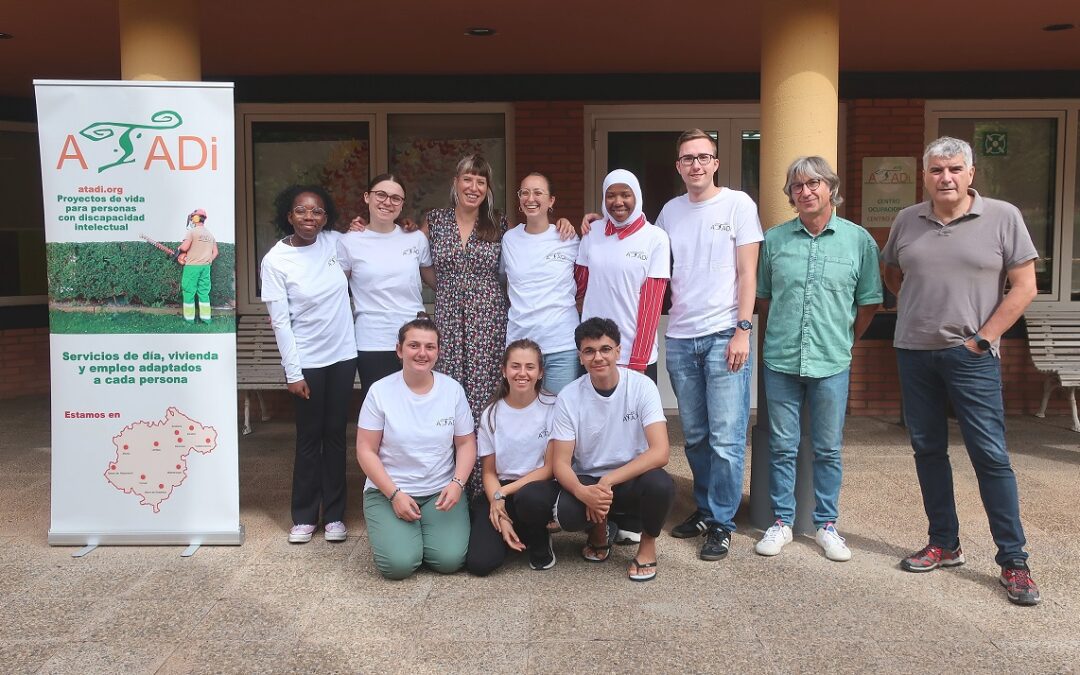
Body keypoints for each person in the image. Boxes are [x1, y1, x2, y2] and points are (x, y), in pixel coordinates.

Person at [883, 136, 1041, 606]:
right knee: (928, 451)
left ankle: (1014, 561)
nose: (945, 178)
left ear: (971, 174)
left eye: (954, 169)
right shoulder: (908, 219)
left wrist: (982, 339)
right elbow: (893, 271)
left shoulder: (1002, 216)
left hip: (971, 356)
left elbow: (1025, 286)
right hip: (914, 351)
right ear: (925, 175)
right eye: (936, 170)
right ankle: (944, 544)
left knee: (990, 456)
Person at [755, 156, 882, 562]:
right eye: (797, 186)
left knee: (828, 448)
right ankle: (782, 523)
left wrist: (845, 340)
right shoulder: (774, 240)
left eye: (814, 184)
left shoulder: (858, 240)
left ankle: (827, 525)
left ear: (831, 188)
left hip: (832, 362)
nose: (806, 192)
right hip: (781, 360)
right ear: (790, 195)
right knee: (782, 445)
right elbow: (762, 299)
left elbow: (869, 303)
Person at [650, 129, 763, 561]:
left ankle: (721, 522)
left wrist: (742, 330)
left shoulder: (738, 204)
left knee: (727, 437)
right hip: (680, 335)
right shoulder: (671, 212)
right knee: (695, 435)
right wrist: (592, 222)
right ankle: (704, 506)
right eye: (687, 159)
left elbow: (748, 274)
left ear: (716, 162)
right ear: (678, 167)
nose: (696, 165)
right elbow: (644, 246)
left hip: (723, 335)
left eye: (703, 157)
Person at [260, 185, 356, 544]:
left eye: (316, 212)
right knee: (308, 438)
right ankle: (303, 516)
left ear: (325, 217)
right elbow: (280, 322)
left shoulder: (334, 243)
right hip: (308, 362)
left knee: (335, 435)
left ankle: (333, 516)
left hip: (344, 356)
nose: (309, 218)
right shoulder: (275, 261)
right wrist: (293, 372)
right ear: (289, 215)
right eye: (302, 211)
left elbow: (366, 248)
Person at [550, 317, 674, 582]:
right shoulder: (569, 396)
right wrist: (584, 492)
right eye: (589, 351)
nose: (598, 357)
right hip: (590, 478)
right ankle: (599, 530)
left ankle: (647, 544)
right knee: (567, 514)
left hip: (629, 478)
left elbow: (661, 452)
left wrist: (608, 481)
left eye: (605, 349)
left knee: (660, 485)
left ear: (618, 351)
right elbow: (560, 462)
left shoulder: (642, 387)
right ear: (580, 357)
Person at [356, 315, 476, 580]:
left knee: (450, 561)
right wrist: (394, 494)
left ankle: (421, 531)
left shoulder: (452, 390)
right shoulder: (380, 391)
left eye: (430, 347)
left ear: (438, 352)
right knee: (398, 566)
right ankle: (401, 535)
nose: (422, 353)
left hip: (440, 492)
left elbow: (466, 443)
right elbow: (365, 450)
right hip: (389, 491)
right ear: (399, 350)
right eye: (414, 346)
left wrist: (457, 483)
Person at [337, 174, 434, 405]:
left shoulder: (415, 239)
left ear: (402, 204)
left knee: (417, 403)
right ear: (367, 197)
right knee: (380, 407)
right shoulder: (348, 242)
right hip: (372, 338)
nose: (387, 202)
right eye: (381, 195)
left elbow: (437, 282)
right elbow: (334, 291)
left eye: (395, 198)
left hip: (414, 337)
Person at [465, 339, 560, 575]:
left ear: (540, 373)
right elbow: (488, 471)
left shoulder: (553, 407)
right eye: (515, 366)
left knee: (530, 498)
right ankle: (512, 532)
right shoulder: (492, 413)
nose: (522, 373)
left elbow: (549, 469)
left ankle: (538, 536)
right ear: (504, 371)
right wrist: (498, 504)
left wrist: (502, 495)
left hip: (538, 489)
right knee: (480, 563)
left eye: (530, 367)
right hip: (502, 489)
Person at [577, 169, 670, 383]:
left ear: (636, 196)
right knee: (593, 416)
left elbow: (652, 305)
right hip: (595, 353)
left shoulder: (655, 238)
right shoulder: (592, 233)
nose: (618, 202)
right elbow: (579, 288)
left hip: (633, 354)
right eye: (611, 195)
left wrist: (638, 360)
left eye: (625, 194)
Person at [501, 173, 583, 394]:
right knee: (524, 415)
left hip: (561, 344)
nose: (530, 198)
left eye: (538, 193)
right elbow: (501, 281)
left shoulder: (569, 239)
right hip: (520, 345)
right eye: (524, 193)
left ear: (551, 201)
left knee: (560, 416)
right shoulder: (509, 239)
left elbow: (584, 282)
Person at [177, 208, 218, 323]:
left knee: (189, 292)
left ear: (195, 218)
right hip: (205, 267)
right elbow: (216, 252)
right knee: (204, 293)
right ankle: (206, 319)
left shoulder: (192, 232)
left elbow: (184, 247)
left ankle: (189, 320)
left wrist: (179, 249)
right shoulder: (210, 234)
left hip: (192, 266)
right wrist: (209, 260)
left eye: (192, 217)